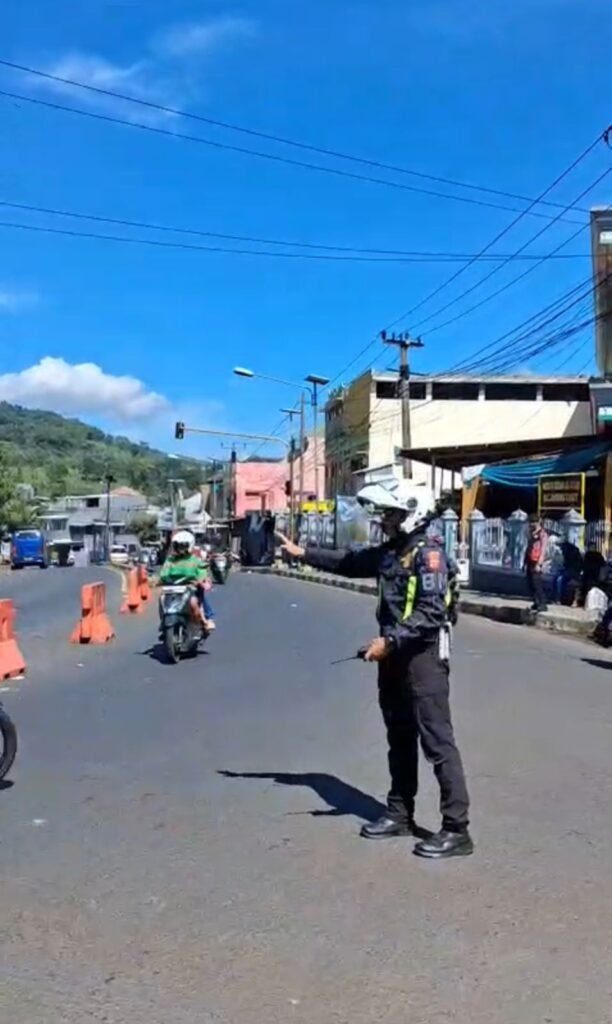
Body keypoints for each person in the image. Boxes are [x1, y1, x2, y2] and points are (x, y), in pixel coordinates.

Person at [277, 479, 472, 860]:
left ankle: (456, 829)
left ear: (411, 514)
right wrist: (303, 553)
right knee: (399, 737)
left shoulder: (428, 555)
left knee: (437, 742)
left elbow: (431, 613)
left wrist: (390, 641)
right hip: (393, 655)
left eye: (391, 514)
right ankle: (400, 813)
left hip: (423, 657)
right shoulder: (392, 552)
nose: (384, 520)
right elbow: (350, 563)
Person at [159, 530, 216, 632]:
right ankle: (163, 622)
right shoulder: (170, 560)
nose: (180, 549)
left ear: (190, 546)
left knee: (194, 602)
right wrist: (162, 579)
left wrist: (200, 580)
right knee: (162, 599)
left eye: (183, 546)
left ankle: (206, 619)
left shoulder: (195, 560)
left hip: (190, 588)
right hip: (173, 588)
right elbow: (164, 573)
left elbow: (202, 571)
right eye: (178, 546)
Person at [524, 516, 548, 612]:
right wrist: (524, 562)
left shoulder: (542, 534)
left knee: (537, 584)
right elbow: (528, 548)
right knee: (530, 583)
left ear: (538, 522)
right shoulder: (531, 533)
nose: (531, 524)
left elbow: (543, 550)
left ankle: (543, 604)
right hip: (529, 560)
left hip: (536, 561)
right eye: (530, 522)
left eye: (533, 522)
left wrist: (539, 564)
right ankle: (536, 602)